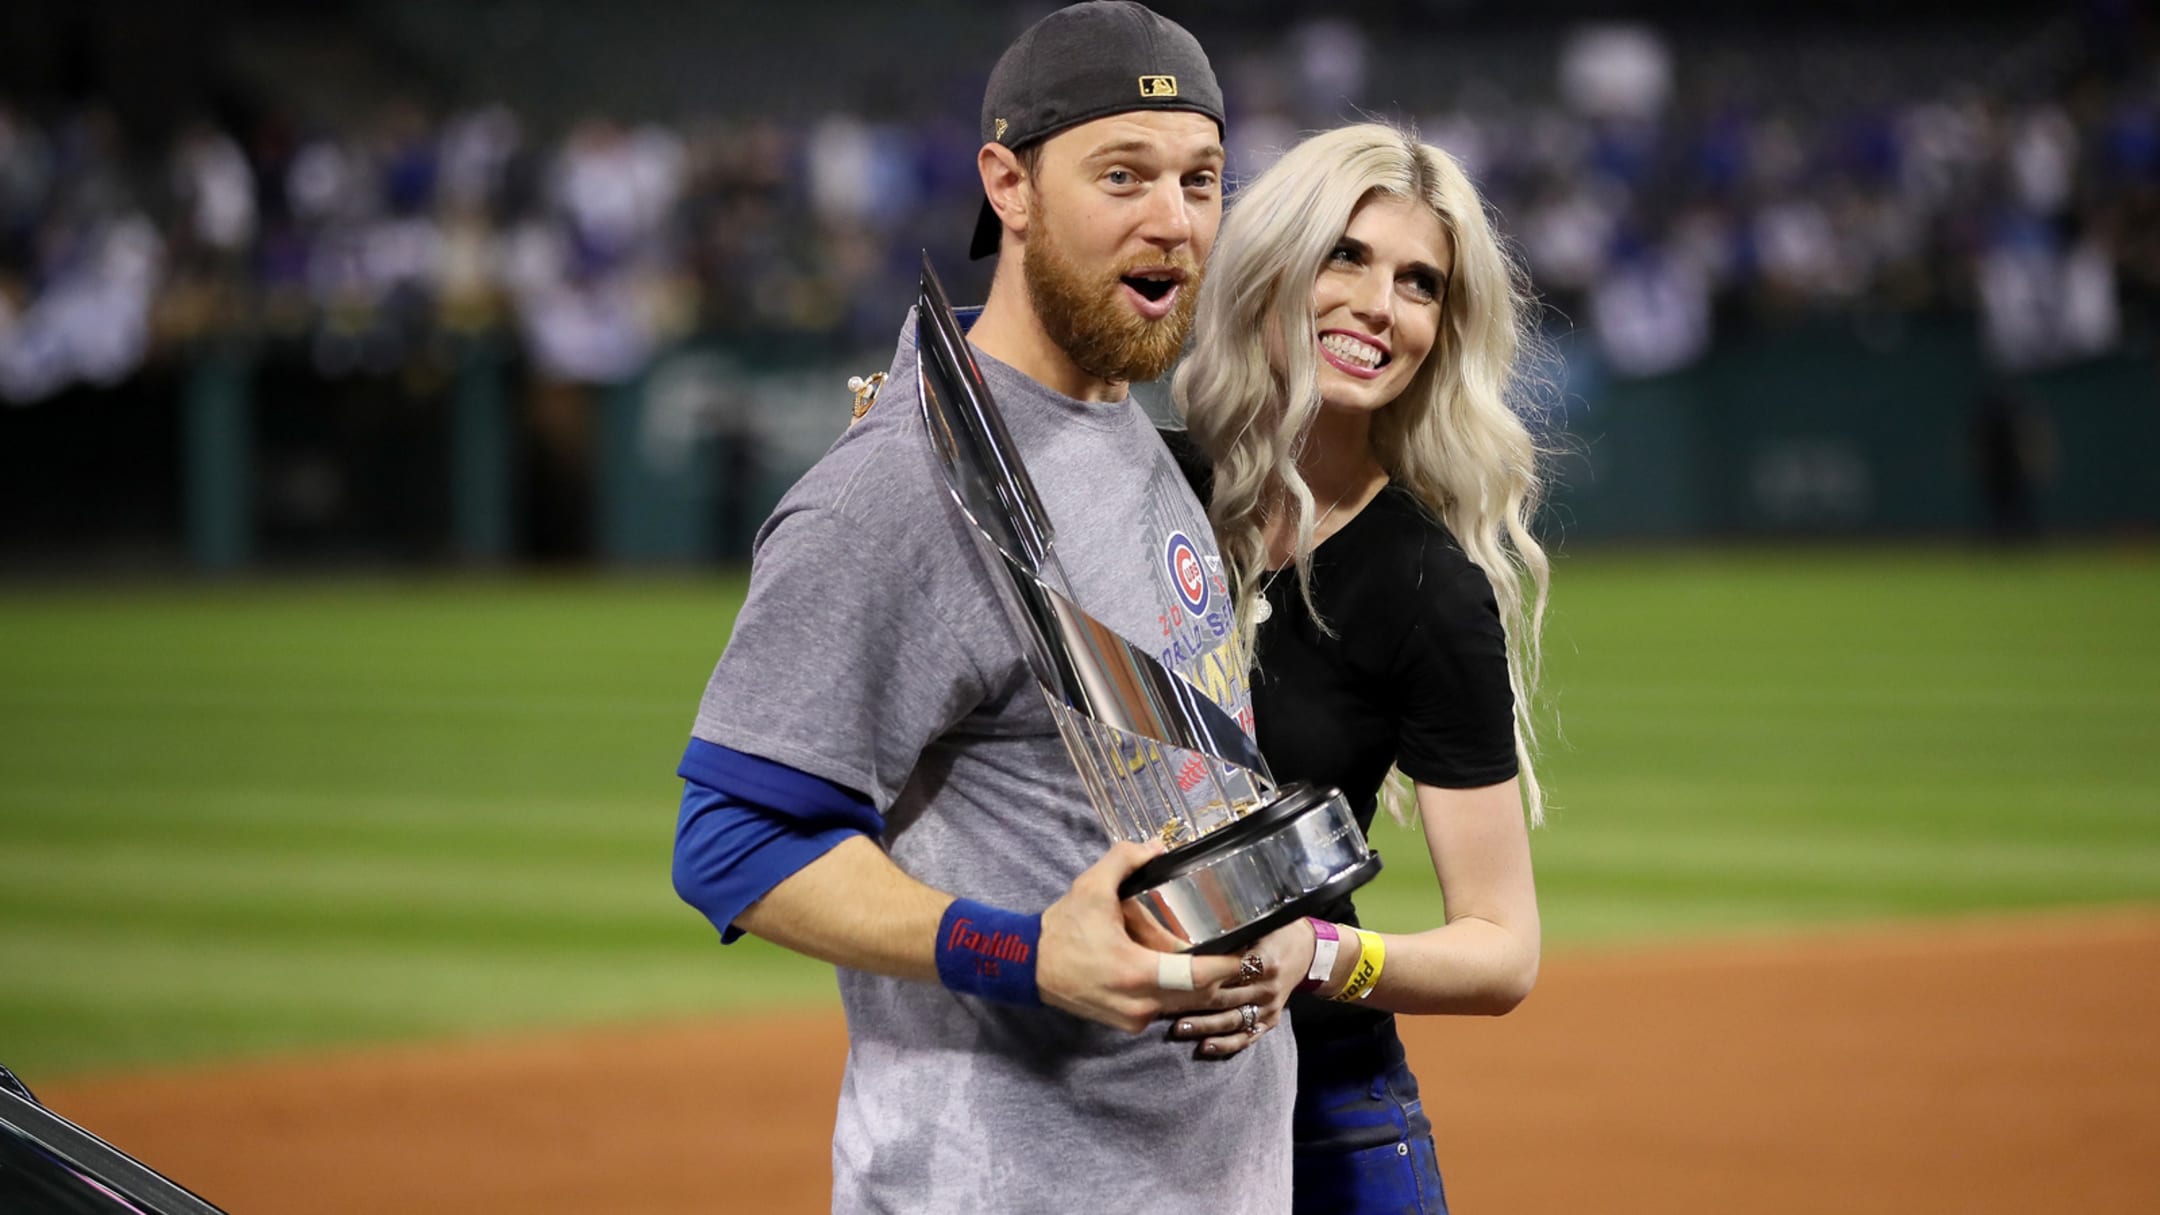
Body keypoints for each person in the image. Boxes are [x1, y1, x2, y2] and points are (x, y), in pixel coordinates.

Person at [669, 5, 1300, 1212]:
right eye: (1122, 175)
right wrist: (1021, 954)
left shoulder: (1125, 428)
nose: (1174, 217)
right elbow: (729, 843)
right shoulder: (898, 492)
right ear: (1007, 185)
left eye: (1202, 179)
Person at [1166, 123, 1551, 1213]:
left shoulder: (1426, 587)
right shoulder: (1141, 494)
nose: (1382, 307)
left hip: (1327, 1125)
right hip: (1112, 1107)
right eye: (1348, 255)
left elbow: (1501, 949)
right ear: (1277, 262)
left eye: (1420, 283)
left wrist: (1321, 952)